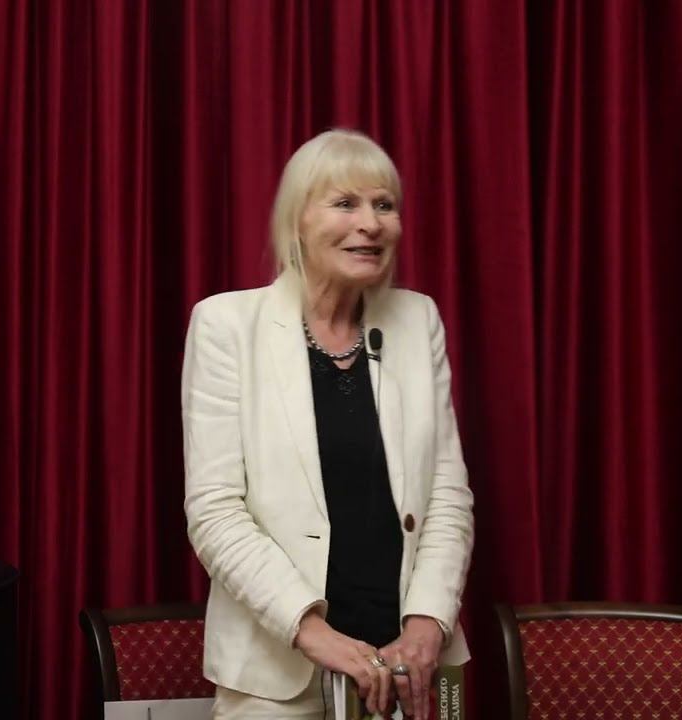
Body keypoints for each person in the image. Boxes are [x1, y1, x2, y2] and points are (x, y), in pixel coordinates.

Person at [182, 129, 474, 719]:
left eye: (384, 205)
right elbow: (215, 510)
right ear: (297, 220)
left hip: (409, 668)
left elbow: (446, 494)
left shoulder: (418, 319)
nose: (370, 224)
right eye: (345, 203)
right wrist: (312, 631)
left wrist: (427, 622)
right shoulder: (225, 325)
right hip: (278, 675)